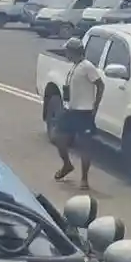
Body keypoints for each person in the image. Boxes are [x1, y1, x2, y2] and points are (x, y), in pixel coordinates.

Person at [55, 37, 104, 190]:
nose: (66, 53)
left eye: (67, 51)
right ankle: (67, 165)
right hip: (70, 110)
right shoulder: (74, 66)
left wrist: (95, 106)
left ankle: (84, 178)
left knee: (85, 146)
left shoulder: (87, 67)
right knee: (59, 139)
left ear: (73, 51)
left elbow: (100, 85)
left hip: (83, 112)